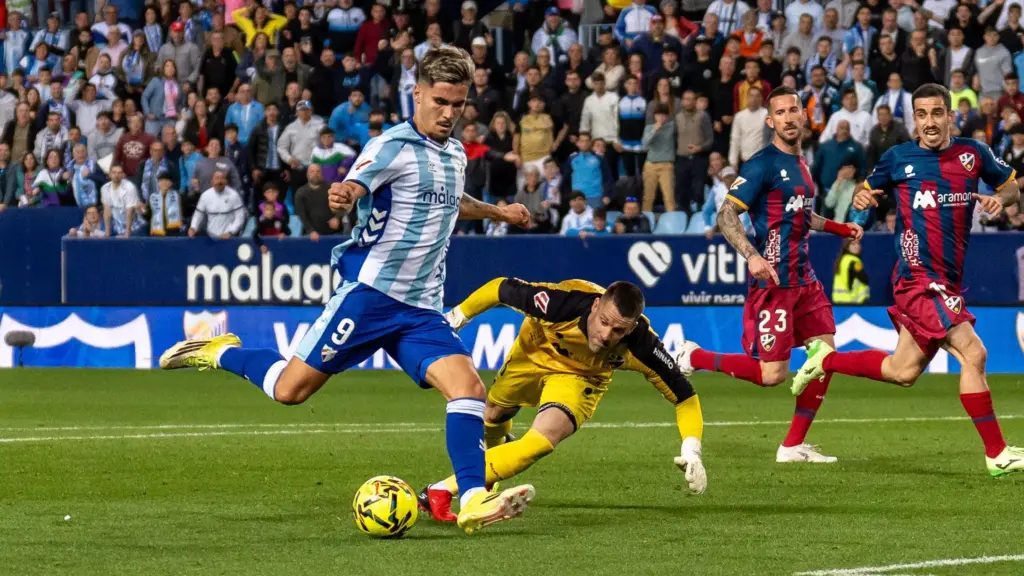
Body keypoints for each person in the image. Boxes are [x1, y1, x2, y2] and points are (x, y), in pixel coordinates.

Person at [158, 46, 535, 535]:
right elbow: (356, 184)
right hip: (370, 297)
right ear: (416, 94)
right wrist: (344, 194)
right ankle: (221, 352)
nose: (448, 113)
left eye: (458, 104)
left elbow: (449, 198)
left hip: (421, 308)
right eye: (440, 101)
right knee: (289, 391)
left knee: (469, 390)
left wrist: (498, 212)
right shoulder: (391, 146)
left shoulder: (455, 154)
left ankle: (473, 499)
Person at [792, 83, 1024, 476]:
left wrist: (999, 200)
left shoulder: (973, 154)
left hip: (947, 280)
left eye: (937, 113)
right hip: (917, 277)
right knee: (975, 353)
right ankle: (997, 454)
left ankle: (826, 360)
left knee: (903, 371)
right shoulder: (898, 157)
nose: (930, 122)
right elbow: (866, 192)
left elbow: (1012, 187)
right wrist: (862, 205)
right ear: (914, 119)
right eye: (922, 114)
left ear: (951, 115)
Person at [676, 86, 864, 464]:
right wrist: (751, 254)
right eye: (781, 112)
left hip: (805, 279)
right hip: (773, 283)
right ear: (770, 121)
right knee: (771, 375)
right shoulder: (761, 164)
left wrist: (842, 230)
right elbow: (726, 215)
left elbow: (802, 215)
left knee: (824, 356)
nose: (790, 117)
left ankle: (793, 445)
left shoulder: (803, 164)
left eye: (795, 109)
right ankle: (697, 357)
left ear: (804, 115)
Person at [418, 278, 706, 523]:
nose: (606, 335)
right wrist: (455, 318)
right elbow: (500, 288)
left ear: (631, 329)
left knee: (538, 443)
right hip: (532, 354)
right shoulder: (561, 303)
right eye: (604, 322)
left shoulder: (643, 345)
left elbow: (685, 397)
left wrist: (692, 449)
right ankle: (492, 471)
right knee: (492, 415)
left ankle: (442, 490)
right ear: (596, 306)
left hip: (581, 379)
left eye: (618, 330)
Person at [187, 169, 246, 238]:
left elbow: (240, 216)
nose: (219, 181)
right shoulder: (205, 196)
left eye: (222, 178)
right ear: (212, 182)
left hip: (229, 237)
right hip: (211, 238)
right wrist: (193, 227)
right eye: (217, 178)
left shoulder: (234, 195)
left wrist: (231, 232)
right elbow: (198, 214)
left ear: (226, 181)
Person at [831, 238, 869, 303]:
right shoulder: (854, 262)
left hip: (837, 300)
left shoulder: (842, 260)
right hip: (850, 301)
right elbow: (864, 279)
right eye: (853, 244)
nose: (856, 246)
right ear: (847, 246)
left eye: (858, 243)